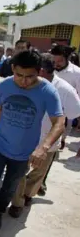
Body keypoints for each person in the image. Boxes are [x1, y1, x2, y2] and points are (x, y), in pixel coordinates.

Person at [0, 49, 65, 237]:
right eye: (19, 75)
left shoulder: (47, 91)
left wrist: (43, 148)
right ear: (13, 68)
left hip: (23, 153)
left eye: (29, 77)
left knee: (10, 187)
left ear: (38, 72)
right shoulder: (4, 86)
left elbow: (60, 122)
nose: (23, 81)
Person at [9, 53, 80, 217]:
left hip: (47, 141)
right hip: (22, 138)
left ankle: (28, 195)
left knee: (37, 174)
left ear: (42, 71)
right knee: (18, 173)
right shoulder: (23, 84)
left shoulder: (64, 90)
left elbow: (73, 113)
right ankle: (17, 203)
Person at [51, 45, 80, 149]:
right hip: (47, 108)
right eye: (54, 61)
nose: (56, 64)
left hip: (65, 111)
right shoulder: (48, 68)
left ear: (67, 59)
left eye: (60, 61)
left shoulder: (77, 73)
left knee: (58, 136)